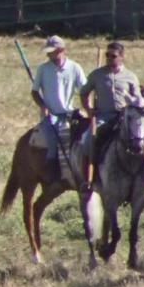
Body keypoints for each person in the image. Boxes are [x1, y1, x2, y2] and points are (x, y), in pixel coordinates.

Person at [82, 41, 144, 192]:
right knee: (88, 140)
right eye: (107, 55)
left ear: (121, 57)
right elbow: (84, 92)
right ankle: (88, 179)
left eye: (112, 56)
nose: (109, 58)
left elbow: (138, 100)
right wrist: (88, 109)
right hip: (103, 116)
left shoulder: (130, 76)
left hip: (125, 117)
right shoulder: (97, 75)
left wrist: (137, 104)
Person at [31, 36, 88, 183]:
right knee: (52, 143)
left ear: (61, 50)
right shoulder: (43, 69)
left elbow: (84, 89)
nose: (49, 55)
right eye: (48, 53)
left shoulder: (75, 67)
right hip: (51, 115)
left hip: (70, 114)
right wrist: (43, 106)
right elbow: (35, 92)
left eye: (52, 52)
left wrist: (87, 105)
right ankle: (53, 173)